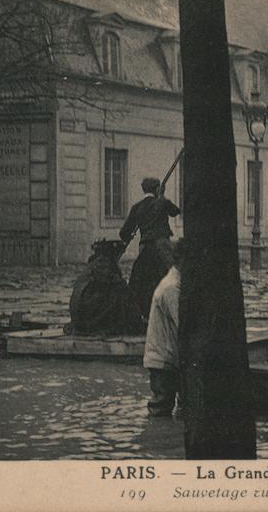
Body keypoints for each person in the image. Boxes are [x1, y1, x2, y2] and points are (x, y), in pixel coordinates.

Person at [120, 178, 181, 319]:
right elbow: (176, 211)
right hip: (162, 245)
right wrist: (162, 197)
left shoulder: (137, 207)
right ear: (157, 189)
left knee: (144, 279)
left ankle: (147, 312)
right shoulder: (162, 202)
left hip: (145, 246)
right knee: (170, 275)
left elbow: (124, 233)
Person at [143, 238, 186, 417]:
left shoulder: (175, 282)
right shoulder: (171, 288)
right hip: (163, 361)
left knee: (173, 408)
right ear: (183, 260)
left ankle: (166, 440)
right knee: (160, 410)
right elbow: (183, 323)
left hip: (168, 358)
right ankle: (159, 441)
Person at [68, 239, 145, 335]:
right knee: (123, 293)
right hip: (88, 314)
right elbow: (118, 286)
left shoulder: (92, 264)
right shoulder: (104, 263)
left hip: (80, 315)